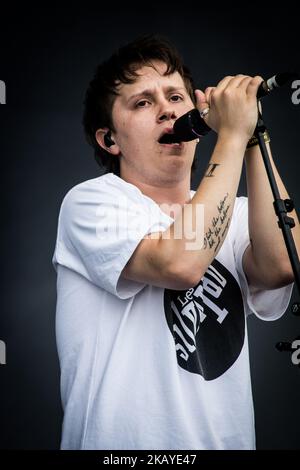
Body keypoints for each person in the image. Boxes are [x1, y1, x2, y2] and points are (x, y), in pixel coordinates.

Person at [52, 34, 299, 450]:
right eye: (143, 102)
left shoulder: (236, 214)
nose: (168, 109)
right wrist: (232, 137)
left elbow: (281, 266)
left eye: (176, 97)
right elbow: (180, 264)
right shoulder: (92, 202)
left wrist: (254, 133)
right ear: (109, 140)